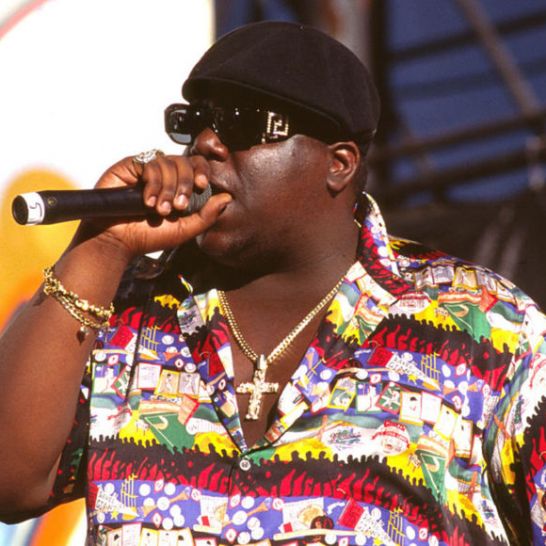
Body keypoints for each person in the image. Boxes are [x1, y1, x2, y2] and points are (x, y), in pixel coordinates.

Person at [0, 20, 545, 546]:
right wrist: (100, 246)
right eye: (195, 122)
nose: (207, 144)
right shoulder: (125, 308)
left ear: (338, 164)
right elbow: (10, 482)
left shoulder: (484, 325)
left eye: (242, 123)